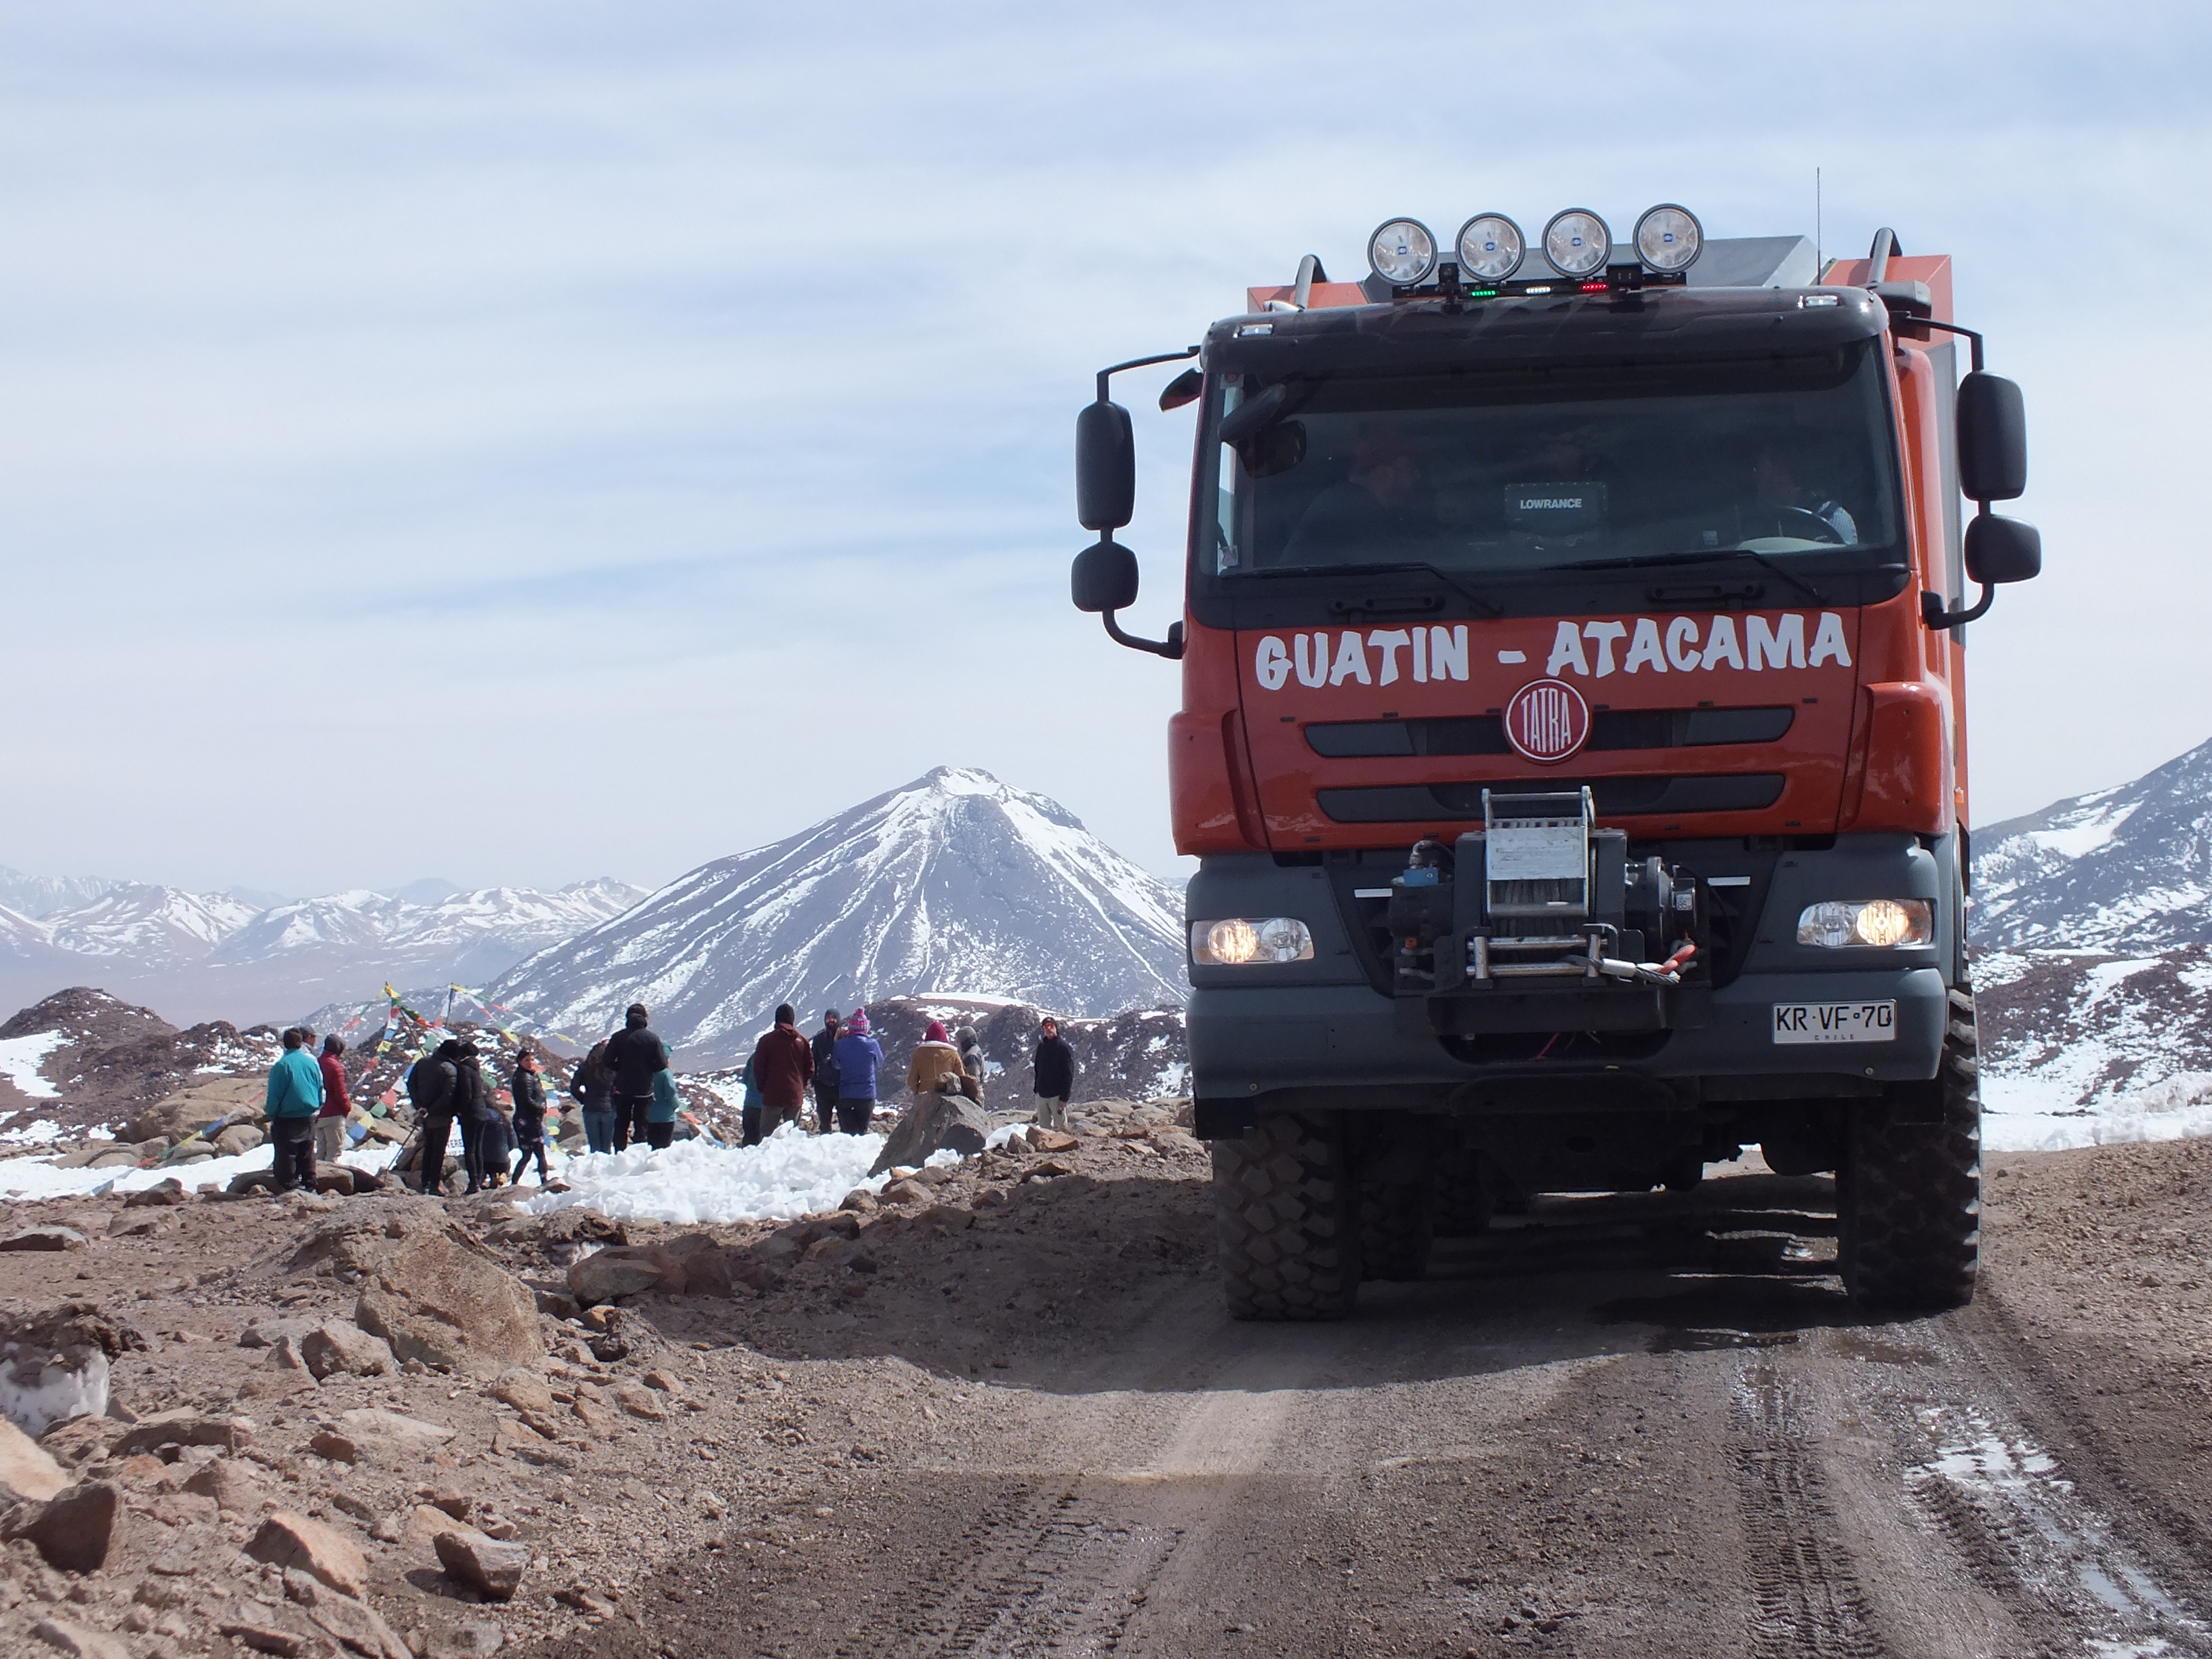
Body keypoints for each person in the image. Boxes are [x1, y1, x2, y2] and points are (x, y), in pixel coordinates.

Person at [1282, 424, 1427, 564]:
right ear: (1384, 474)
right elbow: (1398, 566)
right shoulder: (1352, 512)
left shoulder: (1344, 502)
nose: (1418, 475)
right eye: (1409, 467)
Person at [1750, 438, 1858, 544]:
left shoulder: (1831, 518)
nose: (1756, 477)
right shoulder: (1745, 522)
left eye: (1759, 469)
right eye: (1755, 470)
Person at [264, 1027, 325, 1193]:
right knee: (307, 1152)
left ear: (285, 1044)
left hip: (287, 1117)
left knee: (287, 1154)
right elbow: (320, 1086)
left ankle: (289, 1187)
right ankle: (310, 1183)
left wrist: (271, 1114)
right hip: (309, 1114)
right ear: (301, 1042)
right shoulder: (311, 1061)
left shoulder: (281, 1066)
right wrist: (319, 1105)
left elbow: (274, 1096)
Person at [602, 1003, 670, 1152]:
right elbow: (662, 1064)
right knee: (642, 1123)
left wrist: (619, 1068)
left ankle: (620, 1153)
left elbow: (607, 1061)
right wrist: (648, 1070)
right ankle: (640, 1152)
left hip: (622, 1088)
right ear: (645, 1018)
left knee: (621, 1122)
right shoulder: (652, 1038)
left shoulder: (619, 1037)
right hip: (644, 1089)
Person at [748, 1004, 814, 1139]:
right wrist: (801, 1085)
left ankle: (767, 1159)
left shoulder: (766, 1041)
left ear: (777, 1020)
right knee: (791, 1136)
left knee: (767, 1136)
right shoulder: (802, 1041)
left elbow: (759, 1068)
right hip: (794, 1095)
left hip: (772, 1095)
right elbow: (810, 1069)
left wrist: (764, 1088)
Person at [409, 1039, 460, 1194]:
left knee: (428, 1147)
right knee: (438, 1151)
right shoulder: (450, 1069)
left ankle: (424, 1181)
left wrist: (419, 1105)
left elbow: (411, 1084)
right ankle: (434, 1184)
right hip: (442, 1116)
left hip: (425, 1114)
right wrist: (432, 1109)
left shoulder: (422, 1063)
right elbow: (448, 1096)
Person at [831, 1008, 884, 1134]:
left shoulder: (840, 1045)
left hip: (846, 1093)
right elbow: (880, 1064)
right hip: (867, 1094)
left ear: (850, 1028)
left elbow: (835, 1065)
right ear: (865, 1028)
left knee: (847, 1133)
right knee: (862, 1132)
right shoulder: (872, 1044)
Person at [510, 1048, 551, 1186]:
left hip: (528, 1119)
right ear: (520, 1061)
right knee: (538, 1153)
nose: (530, 1063)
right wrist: (540, 1108)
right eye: (527, 1060)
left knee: (528, 1155)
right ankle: (544, 1180)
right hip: (528, 1121)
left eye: (532, 1060)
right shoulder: (524, 1078)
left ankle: (515, 1182)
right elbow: (526, 1100)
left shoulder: (528, 1075)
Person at [907, 1020, 966, 1111]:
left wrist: (918, 1092)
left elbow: (912, 1080)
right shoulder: (952, 1053)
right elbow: (961, 1077)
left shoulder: (918, 1053)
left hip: (924, 1098)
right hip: (947, 1098)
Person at [571, 1041, 617, 1154]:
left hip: (590, 1109)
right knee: (607, 1148)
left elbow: (574, 1088)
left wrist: (585, 1100)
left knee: (595, 1148)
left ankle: (594, 1168)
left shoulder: (585, 1067)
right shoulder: (614, 1068)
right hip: (609, 1109)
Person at [1032, 1016, 1075, 1133]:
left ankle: (1063, 1149)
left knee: (1060, 1130)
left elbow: (1069, 1074)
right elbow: (1037, 1069)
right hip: (1042, 1095)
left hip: (1057, 1096)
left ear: (1056, 1028)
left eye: (1051, 1026)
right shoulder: (1041, 1047)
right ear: (1043, 1030)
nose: (1049, 1029)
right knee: (1043, 1130)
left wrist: (1064, 1097)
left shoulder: (1064, 1048)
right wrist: (1036, 1090)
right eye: (1046, 1027)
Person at [316, 1035, 351, 1168]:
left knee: (320, 1153)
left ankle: (316, 1182)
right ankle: (330, 1182)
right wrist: (347, 1107)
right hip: (334, 1114)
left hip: (318, 1112)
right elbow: (340, 1093)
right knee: (333, 1154)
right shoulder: (335, 1066)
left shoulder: (316, 1063)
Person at [810, 1011, 843, 1134]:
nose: (831, 1021)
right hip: (823, 1086)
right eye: (828, 1018)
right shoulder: (819, 1040)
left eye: (834, 1018)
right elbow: (813, 1060)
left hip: (841, 1086)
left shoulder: (844, 1038)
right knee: (824, 1123)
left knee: (845, 1122)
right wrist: (814, 1080)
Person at [647, 1064, 681, 1150]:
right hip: (666, 1116)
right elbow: (671, 1095)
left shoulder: (647, 1071)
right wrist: (678, 1106)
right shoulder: (665, 1073)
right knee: (664, 1148)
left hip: (650, 1115)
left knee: (652, 1148)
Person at [954, 1025, 985, 1104]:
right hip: (977, 1095)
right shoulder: (975, 1050)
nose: (957, 1044)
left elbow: (973, 1080)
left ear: (964, 1041)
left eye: (958, 1041)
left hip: (973, 1098)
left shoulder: (971, 1056)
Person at [739, 1052, 763, 1147]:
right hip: (765, 1105)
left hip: (749, 1103)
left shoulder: (754, 1057)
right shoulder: (774, 1057)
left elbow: (745, 1079)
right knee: (761, 1139)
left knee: (749, 1137)